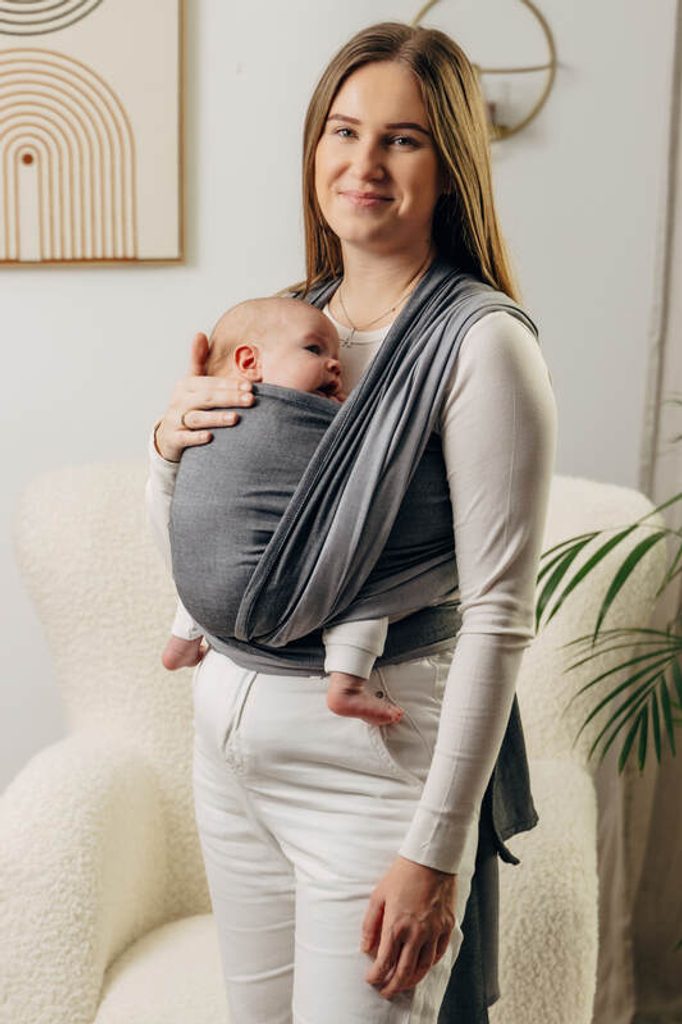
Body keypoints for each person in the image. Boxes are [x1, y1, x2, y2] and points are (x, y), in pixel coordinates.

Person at [145, 20, 557, 1023]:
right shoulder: (282, 324)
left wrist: (435, 848)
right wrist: (163, 445)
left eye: (402, 139)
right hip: (228, 754)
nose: (363, 163)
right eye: (343, 130)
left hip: (369, 776)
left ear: (449, 170)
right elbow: (200, 530)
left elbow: (500, 614)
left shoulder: (479, 345)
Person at [161, 294, 403, 727]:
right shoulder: (209, 415)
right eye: (314, 349)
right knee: (366, 580)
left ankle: (181, 642)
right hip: (244, 577)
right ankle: (347, 683)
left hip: (211, 590)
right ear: (249, 362)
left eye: (335, 356)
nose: (335, 365)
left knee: (208, 554)